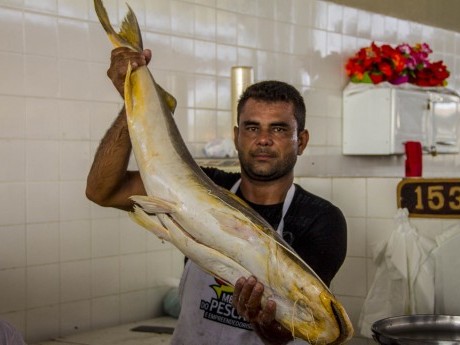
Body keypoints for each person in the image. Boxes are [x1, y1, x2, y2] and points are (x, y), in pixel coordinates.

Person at [86, 47, 347, 345]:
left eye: (278, 128)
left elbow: (302, 328)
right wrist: (132, 99)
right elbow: (101, 190)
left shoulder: (321, 218)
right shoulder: (202, 184)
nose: (263, 139)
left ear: (301, 141)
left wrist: (262, 319)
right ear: (236, 136)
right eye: (252, 127)